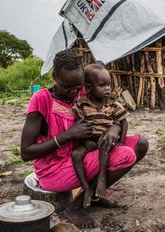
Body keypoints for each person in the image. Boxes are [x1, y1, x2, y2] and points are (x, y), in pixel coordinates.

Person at [20, 49, 148, 229]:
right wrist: (68, 135)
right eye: (67, 86)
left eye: (78, 86)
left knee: (141, 144)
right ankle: (75, 207)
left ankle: (95, 195)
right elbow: (26, 152)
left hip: (89, 151)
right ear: (54, 77)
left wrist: (115, 127)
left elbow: (111, 111)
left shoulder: (83, 92)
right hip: (54, 169)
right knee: (125, 155)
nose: (74, 92)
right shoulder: (42, 100)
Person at [72, 64, 129, 208]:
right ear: (89, 87)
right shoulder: (82, 103)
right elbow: (79, 122)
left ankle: (102, 179)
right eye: (102, 85)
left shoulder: (113, 104)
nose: (107, 88)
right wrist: (85, 140)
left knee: (105, 148)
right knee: (76, 155)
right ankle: (85, 188)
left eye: (109, 84)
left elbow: (124, 122)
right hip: (89, 140)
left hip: (105, 139)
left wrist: (121, 140)